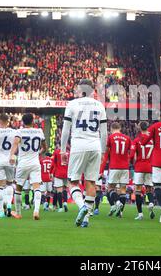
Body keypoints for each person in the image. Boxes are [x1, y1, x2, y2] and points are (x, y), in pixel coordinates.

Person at [60, 78, 107, 228]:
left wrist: (62, 150)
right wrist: (103, 150)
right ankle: (86, 218)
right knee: (91, 183)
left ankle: (82, 207)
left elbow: (66, 130)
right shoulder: (99, 105)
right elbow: (104, 133)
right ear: (93, 90)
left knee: (72, 182)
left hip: (78, 145)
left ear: (80, 89)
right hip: (95, 146)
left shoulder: (72, 104)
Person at [10, 113, 47, 220]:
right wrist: (37, 153)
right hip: (35, 163)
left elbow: (15, 144)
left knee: (18, 188)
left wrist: (12, 155)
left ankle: (18, 213)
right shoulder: (39, 131)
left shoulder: (19, 132)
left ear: (23, 122)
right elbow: (45, 148)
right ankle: (36, 211)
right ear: (33, 121)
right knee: (36, 188)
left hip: (23, 163)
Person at [100, 121, 131, 218]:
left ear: (111, 129)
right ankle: (120, 212)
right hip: (125, 168)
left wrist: (101, 170)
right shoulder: (127, 138)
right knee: (122, 190)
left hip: (114, 167)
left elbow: (105, 156)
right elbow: (130, 154)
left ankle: (117, 202)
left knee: (110, 189)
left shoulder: (110, 138)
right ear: (120, 128)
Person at [130, 121, 155, 220]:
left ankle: (140, 214)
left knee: (138, 191)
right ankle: (151, 203)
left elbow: (132, 155)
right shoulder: (152, 140)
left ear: (139, 128)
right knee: (149, 188)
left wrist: (134, 161)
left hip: (139, 167)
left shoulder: (136, 140)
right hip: (150, 167)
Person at [52, 147, 70, 212]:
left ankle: (60, 207)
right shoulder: (68, 152)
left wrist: (51, 172)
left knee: (59, 190)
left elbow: (53, 162)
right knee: (65, 189)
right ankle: (65, 202)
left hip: (58, 173)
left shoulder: (56, 151)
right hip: (67, 173)